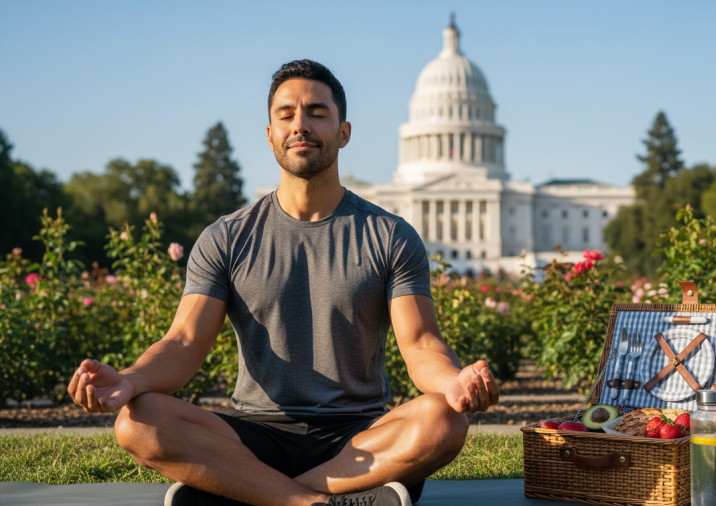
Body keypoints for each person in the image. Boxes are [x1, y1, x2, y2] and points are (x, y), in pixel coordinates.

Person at [67, 59, 500, 506]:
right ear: (270, 132)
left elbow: (422, 343)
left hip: (360, 437)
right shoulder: (227, 237)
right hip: (256, 433)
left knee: (445, 420)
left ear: (344, 132)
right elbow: (182, 343)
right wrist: (130, 381)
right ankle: (315, 502)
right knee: (137, 421)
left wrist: (452, 382)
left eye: (317, 112)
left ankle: (249, 493)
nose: (301, 125)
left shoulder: (389, 235)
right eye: (286, 114)